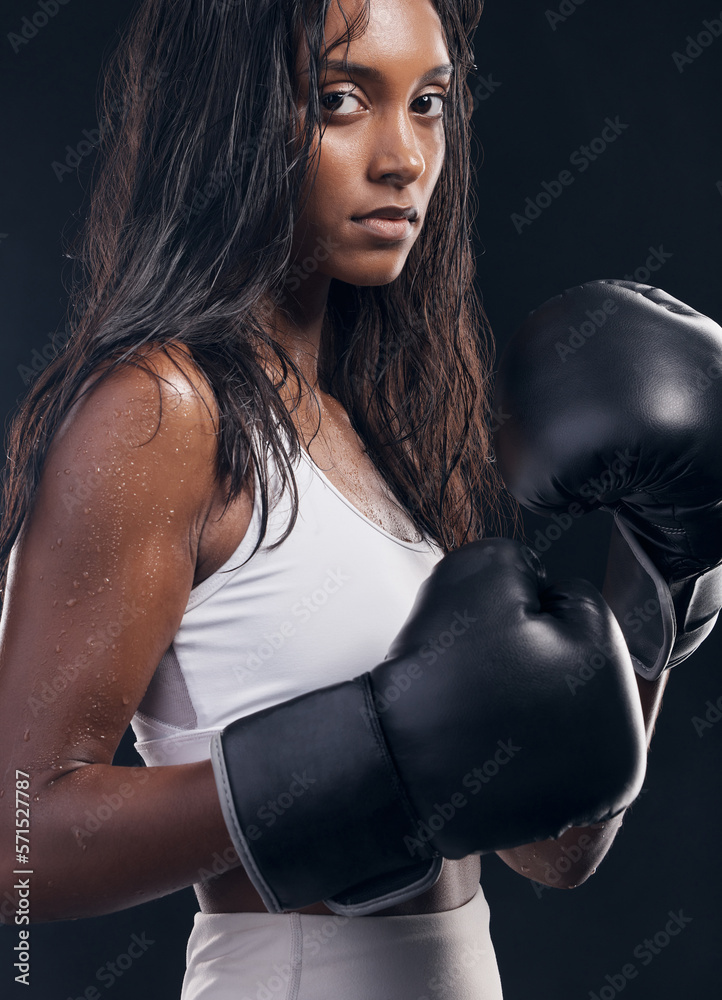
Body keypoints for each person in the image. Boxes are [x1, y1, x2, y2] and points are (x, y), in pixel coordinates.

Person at [0, 1, 676, 998]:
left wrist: (666, 561)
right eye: (340, 100)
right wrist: (372, 753)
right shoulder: (162, 410)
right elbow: (20, 848)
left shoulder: (392, 424)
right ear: (233, 118)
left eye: (431, 102)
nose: (402, 157)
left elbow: (554, 848)